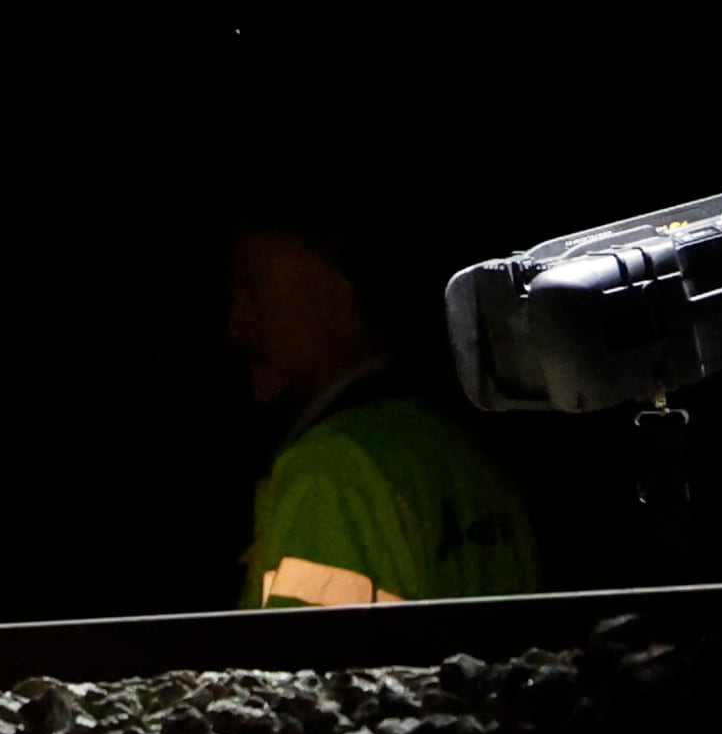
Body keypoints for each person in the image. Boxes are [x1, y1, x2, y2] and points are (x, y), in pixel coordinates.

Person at [226, 202, 540, 608]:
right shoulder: (469, 459)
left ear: (336, 301)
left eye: (255, 287)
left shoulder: (330, 472)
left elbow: (305, 665)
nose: (235, 325)